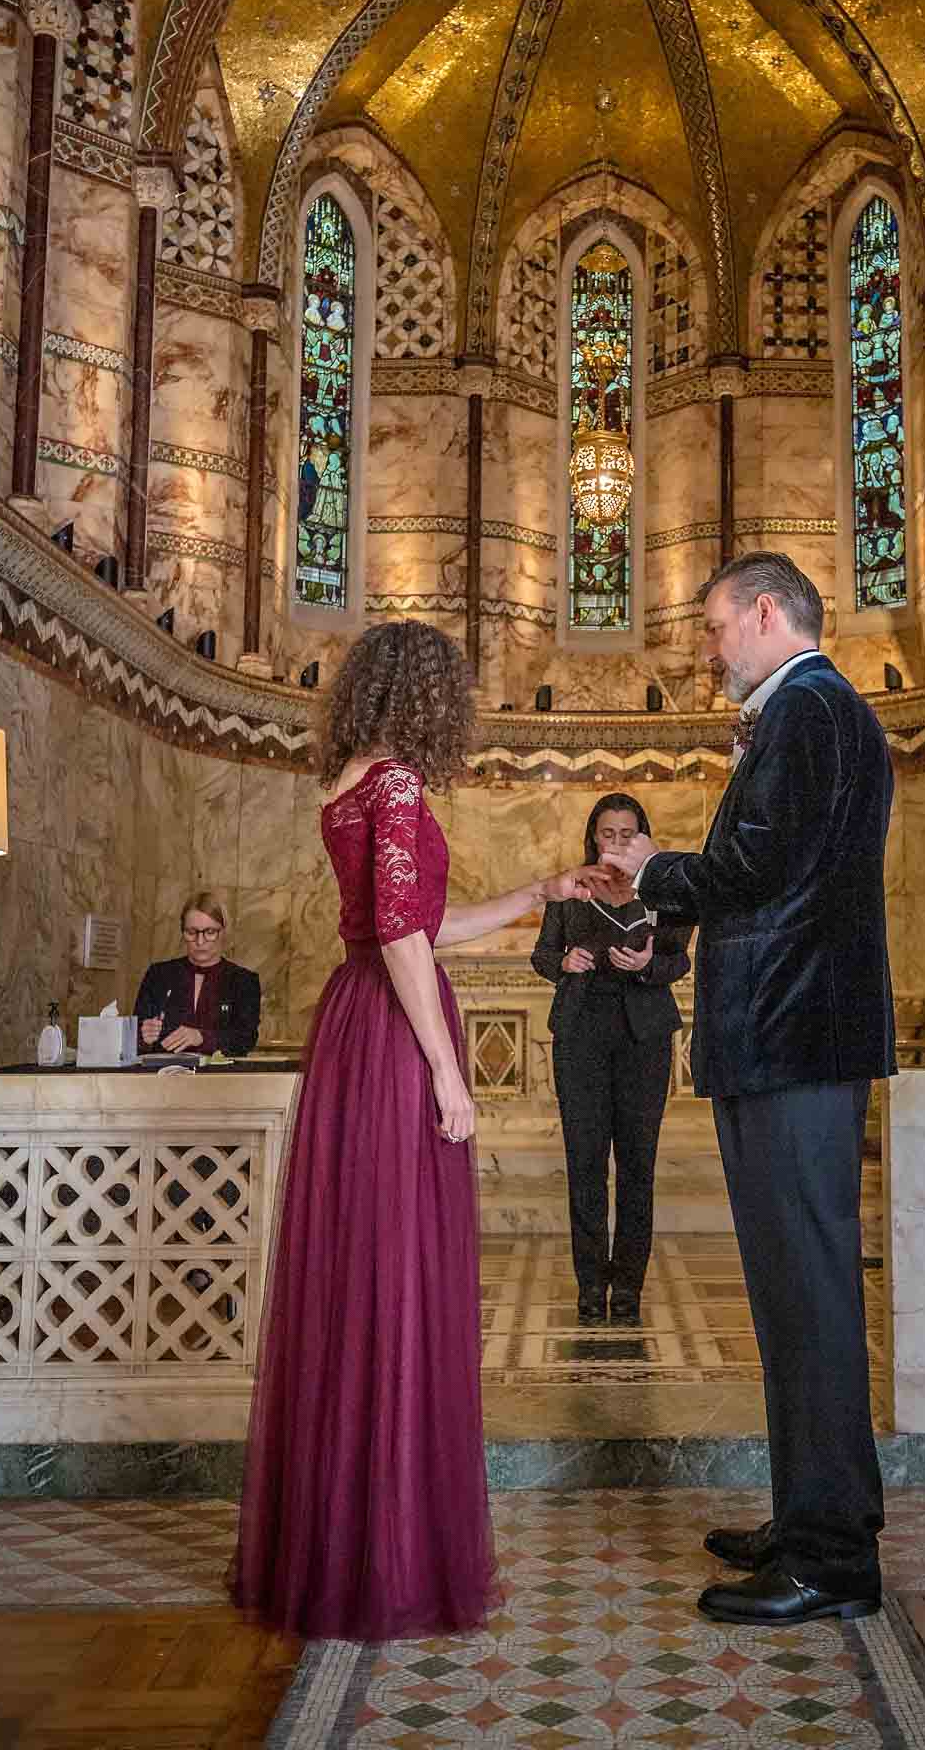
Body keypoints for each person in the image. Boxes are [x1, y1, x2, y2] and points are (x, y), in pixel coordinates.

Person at [229, 620, 600, 1642]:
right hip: (393, 1039)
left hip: (354, 1022)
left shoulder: (347, 778)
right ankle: (390, 1556)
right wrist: (448, 1068)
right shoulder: (393, 783)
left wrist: (537, 894)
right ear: (428, 694)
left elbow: (410, 921)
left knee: (360, 1279)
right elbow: (400, 934)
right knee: (396, 1278)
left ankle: (341, 1544)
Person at [604, 552, 896, 1628]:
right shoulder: (813, 711)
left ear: (767, 612)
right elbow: (776, 868)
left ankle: (831, 1557)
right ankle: (814, 1513)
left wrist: (648, 869)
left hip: (793, 1036)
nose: (708, 645)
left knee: (810, 1293)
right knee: (791, 1292)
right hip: (788, 1036)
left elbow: (757, 868)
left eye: (716, 624)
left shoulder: (811, 708)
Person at [531, 794, 691, 1327]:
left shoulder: (665, 889)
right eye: (608, 833)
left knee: (638, 1168)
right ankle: (589, 1285)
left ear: (643, 837)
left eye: (627, 833)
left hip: (644, 1039)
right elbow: (542, 953)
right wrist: (564, 961)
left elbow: (678, 959)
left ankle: (627, 1287)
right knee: (585, 1166)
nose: (618, 842)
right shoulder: (570, 888)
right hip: (580, 1036)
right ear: (593, 838)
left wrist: (648, 962)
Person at [134, 894, 261, 1057]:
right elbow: (135, 1035)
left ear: (223, 932)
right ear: (182, 932)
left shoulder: (243, 980)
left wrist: (202, 1037)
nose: (200, 941)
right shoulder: (159, 975)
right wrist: (143, 1037)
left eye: (210, 932)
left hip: (221, 1079)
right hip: (165, 1077)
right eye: (191, 932)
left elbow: (246, 1039)